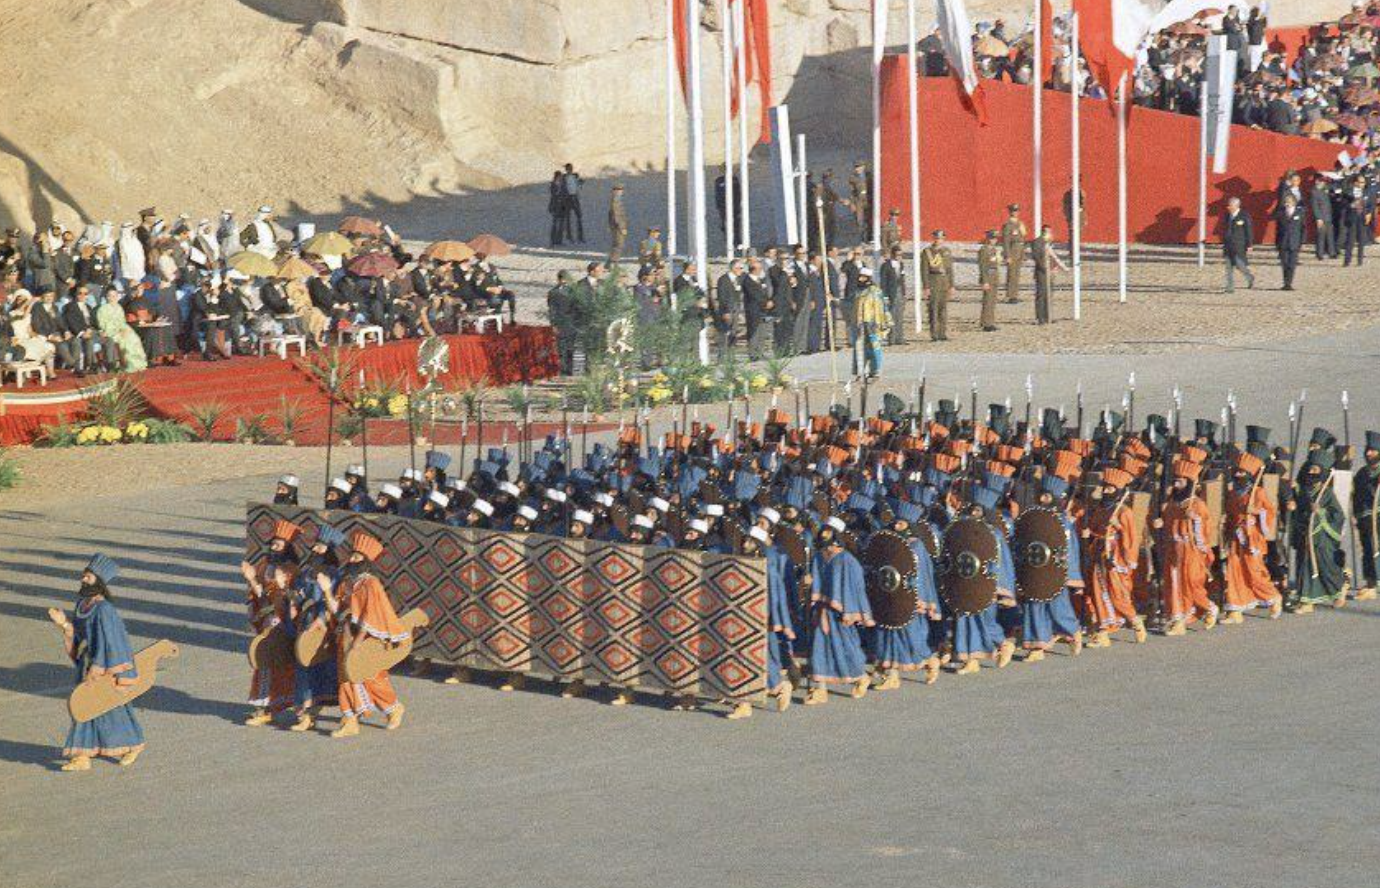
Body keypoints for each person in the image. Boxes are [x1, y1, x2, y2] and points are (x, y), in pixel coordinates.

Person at [46, 555, 146, 772]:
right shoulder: (82, 604)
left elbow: (110, 641)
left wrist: (98, 667)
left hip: (103, 667)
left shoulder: (104, 610)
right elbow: (80, 636)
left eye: (88, 576)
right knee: (83, 708)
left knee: (112, 708)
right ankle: (82, 755)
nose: (84, 578)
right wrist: (64, 623)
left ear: (98, 580)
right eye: (85, 574)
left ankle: (133, 745)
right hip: (87, 664)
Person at [328, 531, 408, 737]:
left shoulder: (371, 583)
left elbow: (371, 614)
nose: (351, 559)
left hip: (366, 637)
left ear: (365, 561)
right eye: (352, 555)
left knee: (372, 676)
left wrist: (358, 642)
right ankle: (350, 720)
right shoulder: (347, 581)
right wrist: (327, 592)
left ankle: (393, 707)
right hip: (345, 634)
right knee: (345, 676)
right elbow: (338, 608)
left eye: (356, 557)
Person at [804, 517, 873, 704]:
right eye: (822, 531)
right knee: (819, 647)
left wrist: (850, 611)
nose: (823, 534)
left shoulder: (847, 560)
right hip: (821, 611)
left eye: (827, 531)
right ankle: (820, 689)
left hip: (840, 612)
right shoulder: (818, 556)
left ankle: (861, 676)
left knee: (845, 647)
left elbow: (855, 586)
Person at [241, 520, 300, 725]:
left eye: (278, 545)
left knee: (283, 664)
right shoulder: (265, 565)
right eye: (273, 543)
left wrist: (283, 587)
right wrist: (252, 580)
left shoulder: (292, 569)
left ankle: (296, 707)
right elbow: (262, 596)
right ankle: (264, 708)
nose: (274, 547)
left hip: (283, 624)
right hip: (268, 621)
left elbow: (294, 599)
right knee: (264, 663)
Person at [1153, 458, 1219, 635]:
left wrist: (1195, 519)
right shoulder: (1173, 503)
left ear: (1189, 482)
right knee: (1173, 583)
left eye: (1180, 481)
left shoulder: (1197, 504)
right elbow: (1168, 524)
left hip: (1190, 549)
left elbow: (1206, 528)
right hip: (1174, 549)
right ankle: (1177, 620)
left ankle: (1209, 607)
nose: (1176, 484)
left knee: (1191, 583)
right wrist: (1161, 523)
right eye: (1175, 480)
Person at [1223, 449, 1285, 621]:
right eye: (1236, 472)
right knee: (1234, 571)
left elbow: (1270, 512)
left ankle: (1273, 597)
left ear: (1249, 474)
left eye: (1242, 472)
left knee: (1254, 571)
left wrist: (1257, 511)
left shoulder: (1258, 493)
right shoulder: (1233, 493)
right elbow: (1230, 514)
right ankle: (1235, 609)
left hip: (1252, 537)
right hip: (1237, 537)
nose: (1238, 475)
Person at [1289, 447, 1348, 614]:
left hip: (1321, 537)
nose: (1310, 472)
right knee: (1304, 566)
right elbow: (1300, 509)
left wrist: (1321, 511)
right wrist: (1293, 506)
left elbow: (1338, 514)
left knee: (1325, 566)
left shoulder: (1326, 493)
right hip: (1306, 534)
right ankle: (1307, 601)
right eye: (1310, 468)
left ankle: (1340, 586)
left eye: (1315, 469)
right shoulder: (1304, 491)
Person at [1351, 431, 1380, 602]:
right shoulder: (1362, 473)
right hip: (1364, 518)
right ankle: (1370, 582)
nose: (1369, 453)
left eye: (1373, 450)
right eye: (1368, 450)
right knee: (1367, 550)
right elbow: (1356, 496)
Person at [851, 267, 891, 379]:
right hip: (860, 324)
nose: (860, 279)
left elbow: (882, 307)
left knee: (874, 347)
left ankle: (875, 370)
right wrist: (834, 299)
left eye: (863, 277)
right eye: (859, 276)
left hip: (872, 323)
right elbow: (849, 304)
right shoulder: (857, 291)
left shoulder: (875, 291)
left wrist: (884, 322)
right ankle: (860, 371)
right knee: (860, 348)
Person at [919, 230, 953, 342]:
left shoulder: (946, 251)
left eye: (941, 238)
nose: (939, 240)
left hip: (944, 281)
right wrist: (926, 286)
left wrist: (951, 285)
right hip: (933, 280)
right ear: (933, 238)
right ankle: (934, 334)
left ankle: (942, 333)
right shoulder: (927, 252)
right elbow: (924, 270)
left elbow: (950, 270)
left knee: (943, 309)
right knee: (933, 308)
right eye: (937, 238)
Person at [1030, 224, 1066, 325]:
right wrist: (1045, 268)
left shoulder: (1048, 243)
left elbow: (1052, 257)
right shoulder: (1037, 242)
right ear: (1044, 232)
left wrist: (1054, 267)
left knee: (1049, 295)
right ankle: (1040, 317)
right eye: (1049, 232)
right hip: (1042, 272)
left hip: (1050, 272)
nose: (1050, 234)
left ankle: (1048, 316)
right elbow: (1037, 257)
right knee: (1041, 295)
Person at [1221, 196, 1256, 292]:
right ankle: (1230, 286)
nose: (1228, 207)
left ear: (1236, 206)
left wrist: (1249, 245)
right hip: (1228, 245)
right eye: (1228, 205)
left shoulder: (1244, 216)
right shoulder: (1227, 215)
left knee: (1239, 264)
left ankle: (1249, 277)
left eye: (1230, 205)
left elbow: (1249, 231)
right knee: (1228, 267)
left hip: (1239, 245)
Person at [1275, 194, 1305, 290]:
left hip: (1294, 242)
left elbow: (1303, 228)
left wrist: (1302, 242)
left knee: (1292, 264)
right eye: (1286, 201)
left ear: (1294, 202)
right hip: (1283, 242)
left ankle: (1289, 283)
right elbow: (1278, 229)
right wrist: (1277, 243)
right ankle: (1286, 283)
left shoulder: (1299, 212)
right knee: (1284, 264)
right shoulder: (1281, 213)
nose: (1287, 203)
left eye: (1289, 201)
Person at [1000, 203, 1028, 303]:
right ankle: (1010, 295)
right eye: (1013, 211)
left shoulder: (1020, 224)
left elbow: (1023, 237)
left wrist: (1023, 254)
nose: (1015, 213)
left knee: (1017, 273)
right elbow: (1006, 241)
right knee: (1011, 274)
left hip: (1019, 250)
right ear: (1010, 212)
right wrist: (1007, 255)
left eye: (1017, 211)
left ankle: (1015, 294)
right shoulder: (1008, 225)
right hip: (1012, 250)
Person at [879, 244, 907, 344]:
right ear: (893, 254)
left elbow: (902, 279)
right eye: (897, 254)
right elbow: (883, 282)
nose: (899, 257)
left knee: (900, 316)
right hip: (891, 293)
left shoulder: (901, 265)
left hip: (899, 292)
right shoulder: (886, 265)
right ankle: (891, 338)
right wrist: (884, 295)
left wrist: (904, 293)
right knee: (891, 316)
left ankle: (900, 338)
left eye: (901, 255)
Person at [976, 229, 1001, 331]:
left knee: (992, 300)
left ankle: (990, 321)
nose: (994, 240)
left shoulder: (994, 250)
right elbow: (982, 266)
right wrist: (984, 281)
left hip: (994, 275)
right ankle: (986, 323)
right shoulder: (984, 250)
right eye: (992, 238)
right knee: (988, 300)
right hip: (988, 276)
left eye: (995, 238)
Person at [1311, 178, 1336, 260]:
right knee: (1321, 236)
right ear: (1317, 182)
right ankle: (1319, 254)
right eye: (1322, 182)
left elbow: (1332, 187)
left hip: (1328, 216)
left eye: (1324, 182)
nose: (1323, 183)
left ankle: (1332, 253)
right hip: (1321, 217)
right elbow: (1315, 206)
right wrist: (1318, 218)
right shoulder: (1314, 192)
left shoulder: (1324, 190)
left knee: (1330, 235)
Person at [562, 163, 585, 243]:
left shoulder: (576, 175)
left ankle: (580, 237)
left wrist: (581, 182)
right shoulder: (563, 177)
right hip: (567, 198)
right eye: (568, 169)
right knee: (568, 218)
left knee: (579, 217)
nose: (570, 170)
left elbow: (579, 185)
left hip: (575, 197)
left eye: (571, 168)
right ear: (566, 169)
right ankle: (569, 237)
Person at [607, 184, 628, 263]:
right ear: (614, 191)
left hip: (615, 225)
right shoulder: (615, 200)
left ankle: (609, 263)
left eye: (621, 190)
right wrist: (622, 227)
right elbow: (616, 215)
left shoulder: (616, 199)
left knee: (616, 244)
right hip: (617, 226)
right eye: (619, 190)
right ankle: (613, 262)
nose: (621, 192)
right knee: (619, 244)